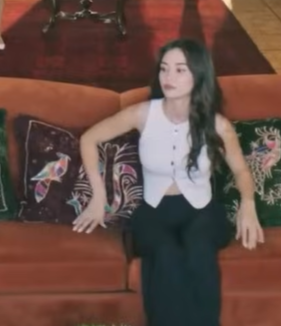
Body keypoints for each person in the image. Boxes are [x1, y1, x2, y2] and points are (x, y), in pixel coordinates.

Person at [73, 38, 264, 326]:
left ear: (199, 74)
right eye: (164, 69)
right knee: (165, 256)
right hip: (153, 212)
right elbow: (89, 139)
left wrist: (248, 205)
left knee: (199, 251)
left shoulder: (217, 125)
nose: (168, 77)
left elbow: (241, 171)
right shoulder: (142, 114)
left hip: (202, 212)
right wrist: (98, 198)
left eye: (179, 69)